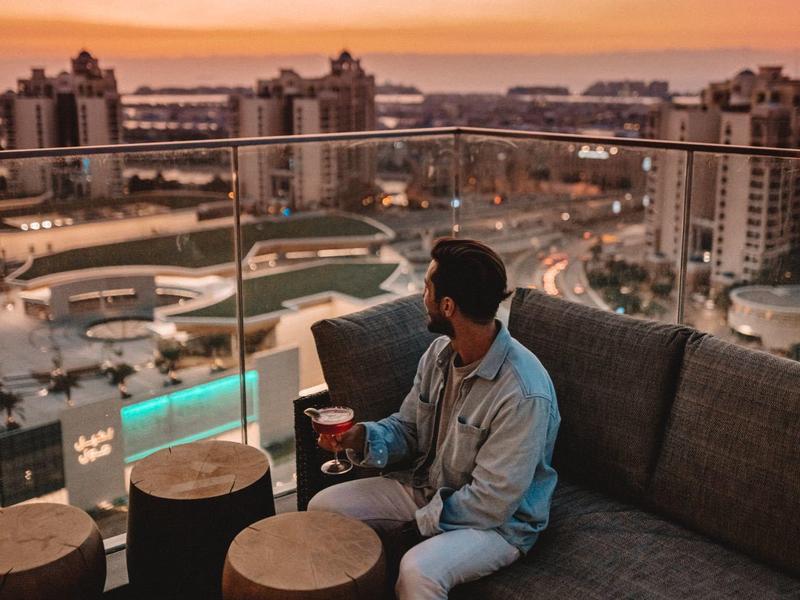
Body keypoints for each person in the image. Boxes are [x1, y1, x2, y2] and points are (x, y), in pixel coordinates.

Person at [308, 238, 560, 599]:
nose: (422, 298)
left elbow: (491, 502)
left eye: (427, 288)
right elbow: (409, 428)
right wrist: (361, 438)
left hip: (499, 524)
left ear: (447, 305)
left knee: (418, 571)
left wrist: (415, 529)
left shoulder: (521, 393)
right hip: (429, 485)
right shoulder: (440, 354)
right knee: (323, 508)